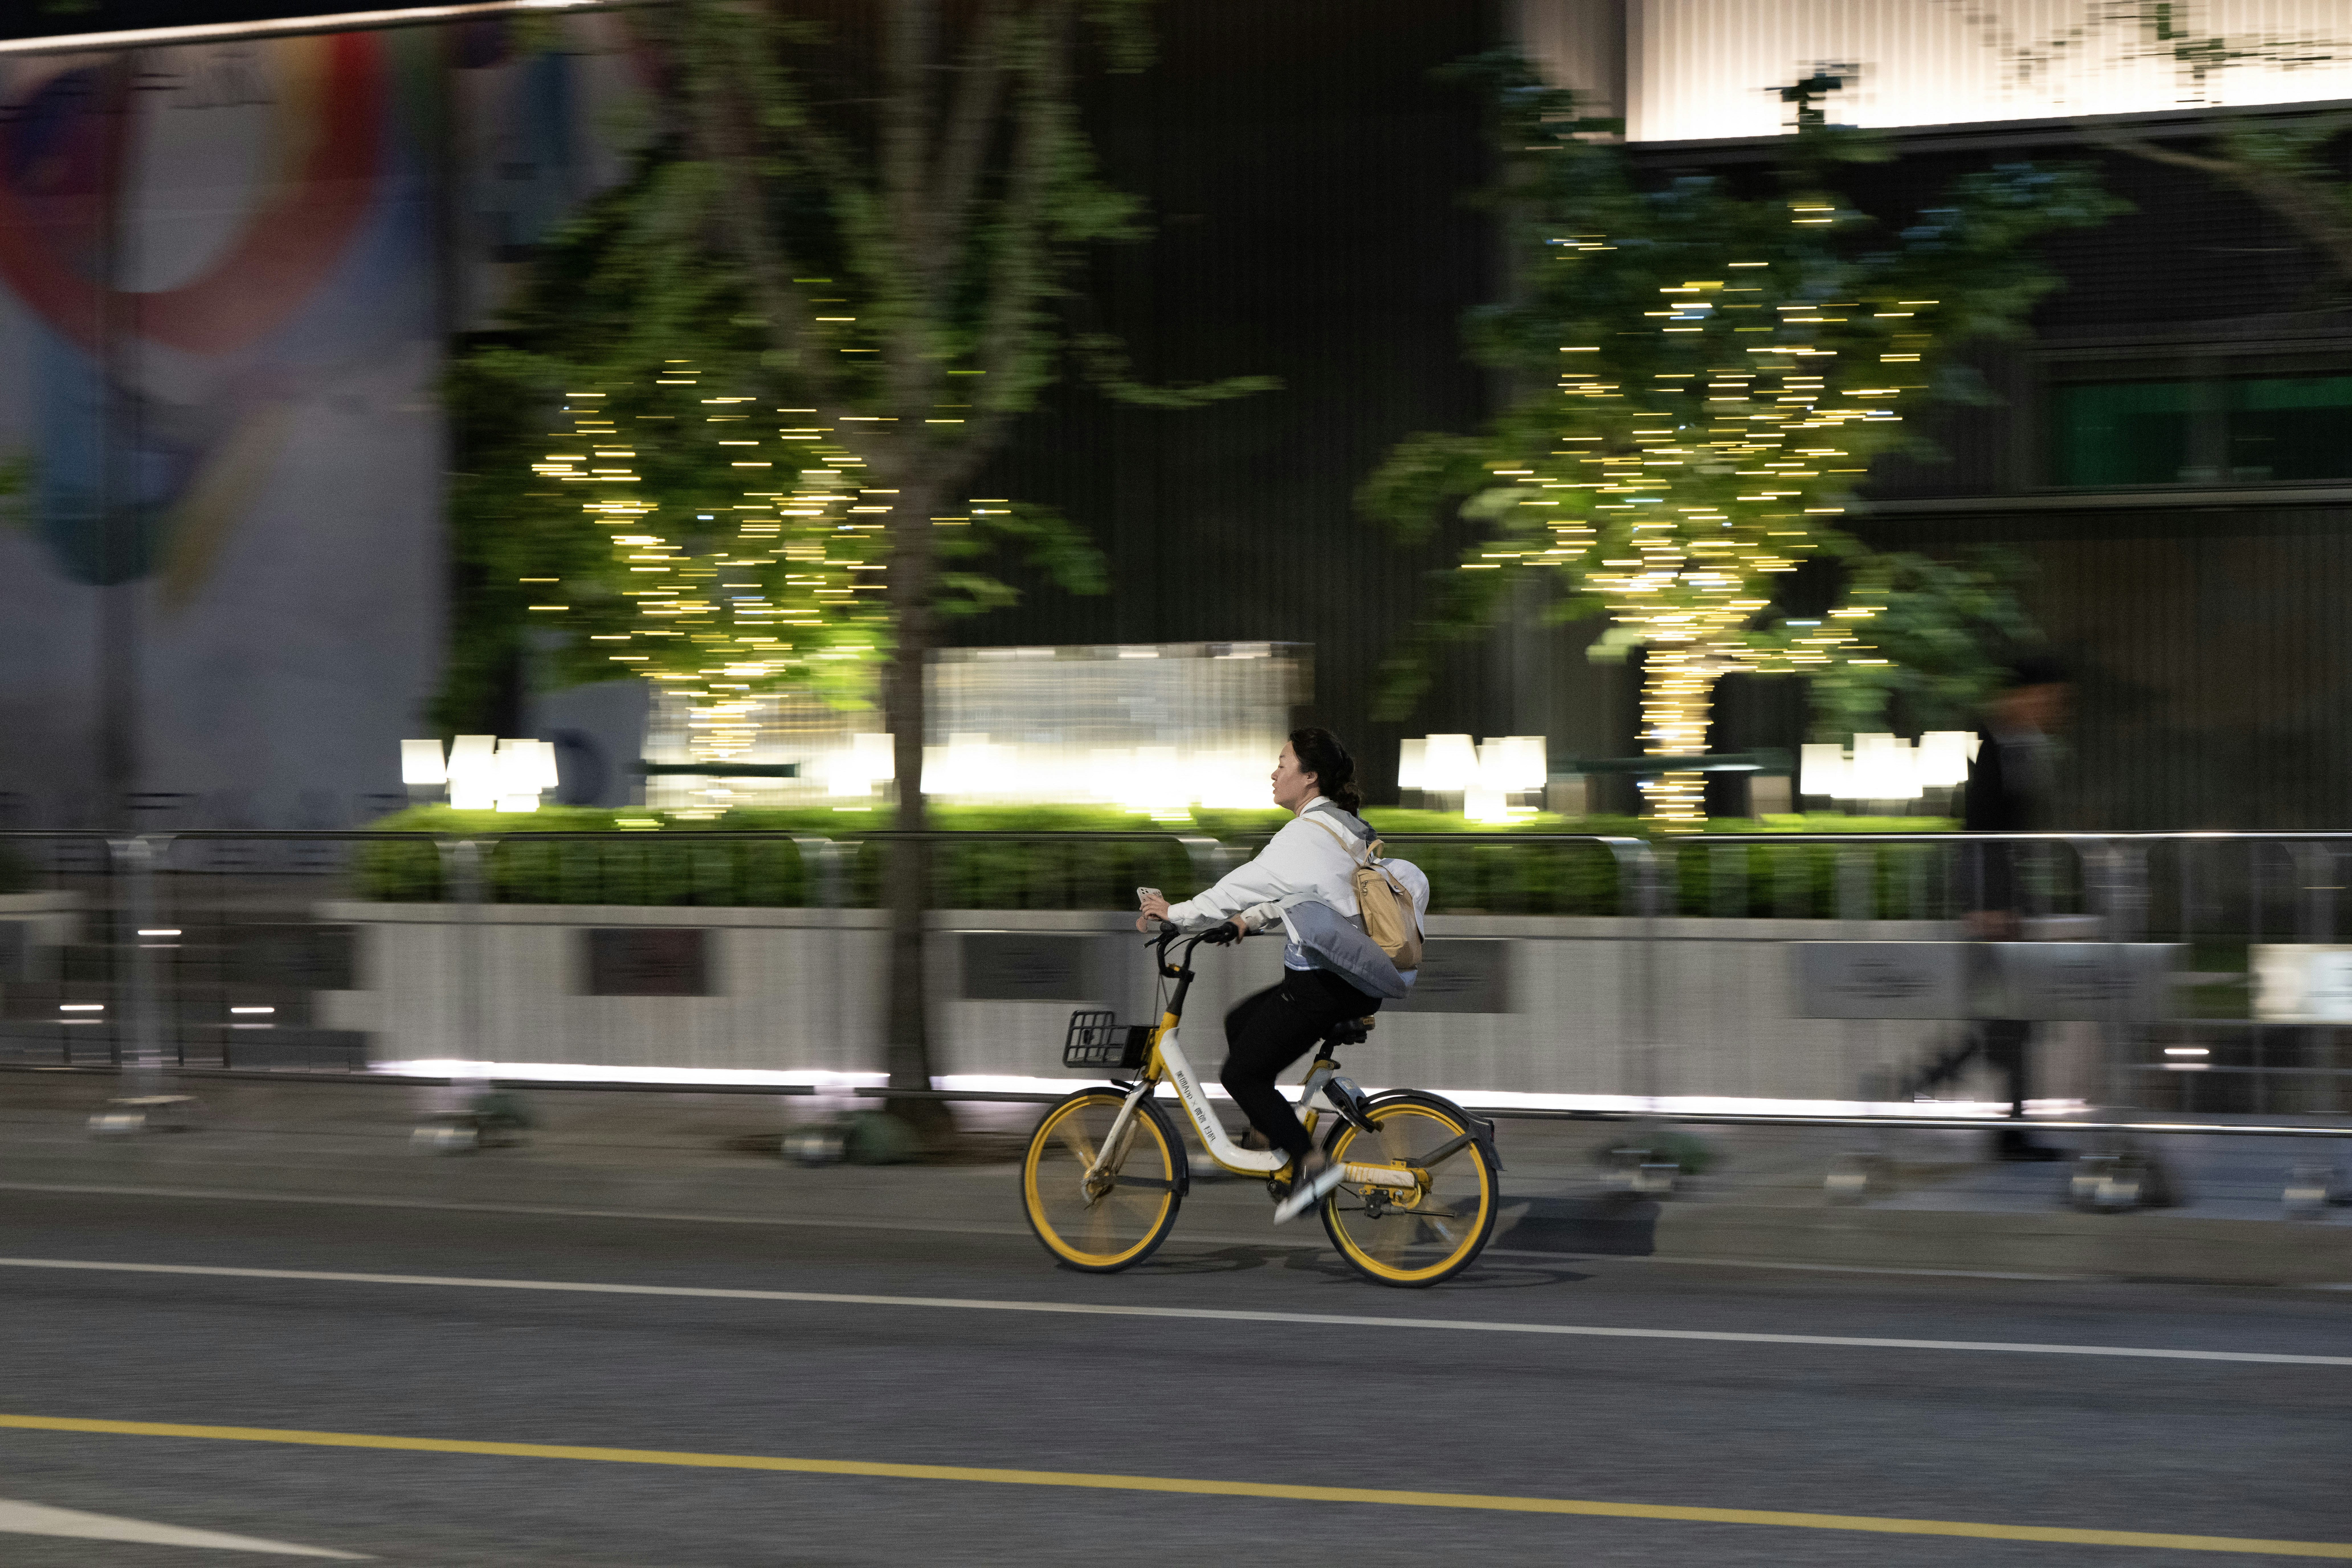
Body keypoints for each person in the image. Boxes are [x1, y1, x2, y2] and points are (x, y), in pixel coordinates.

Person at [1134, 728, 1411, 1222]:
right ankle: (1272, 1145)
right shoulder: (1343, 825)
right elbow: (1311, 893)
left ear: (1310, 778)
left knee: (1241, 1074)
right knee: (1240, 1023)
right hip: (1349, 981)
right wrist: (1248, 922)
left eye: (1283, 763)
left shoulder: (1303, 835)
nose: (1274, 772)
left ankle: (1312, 1163)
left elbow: (1239, 885)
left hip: (1322, 988)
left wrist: (1175, 913)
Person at [1961, 654, 2071, 1161]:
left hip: (2009, 903)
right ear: (2020, 698)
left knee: (2010, 1018)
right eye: (2047, 698)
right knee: (2006, 1019)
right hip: (1997, 906)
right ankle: (1918, 1085)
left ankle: (2012, 1127)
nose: (2053, 709)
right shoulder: (1997, 750)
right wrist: (1988, 904)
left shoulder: (2020, 747)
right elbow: (1981, 831)